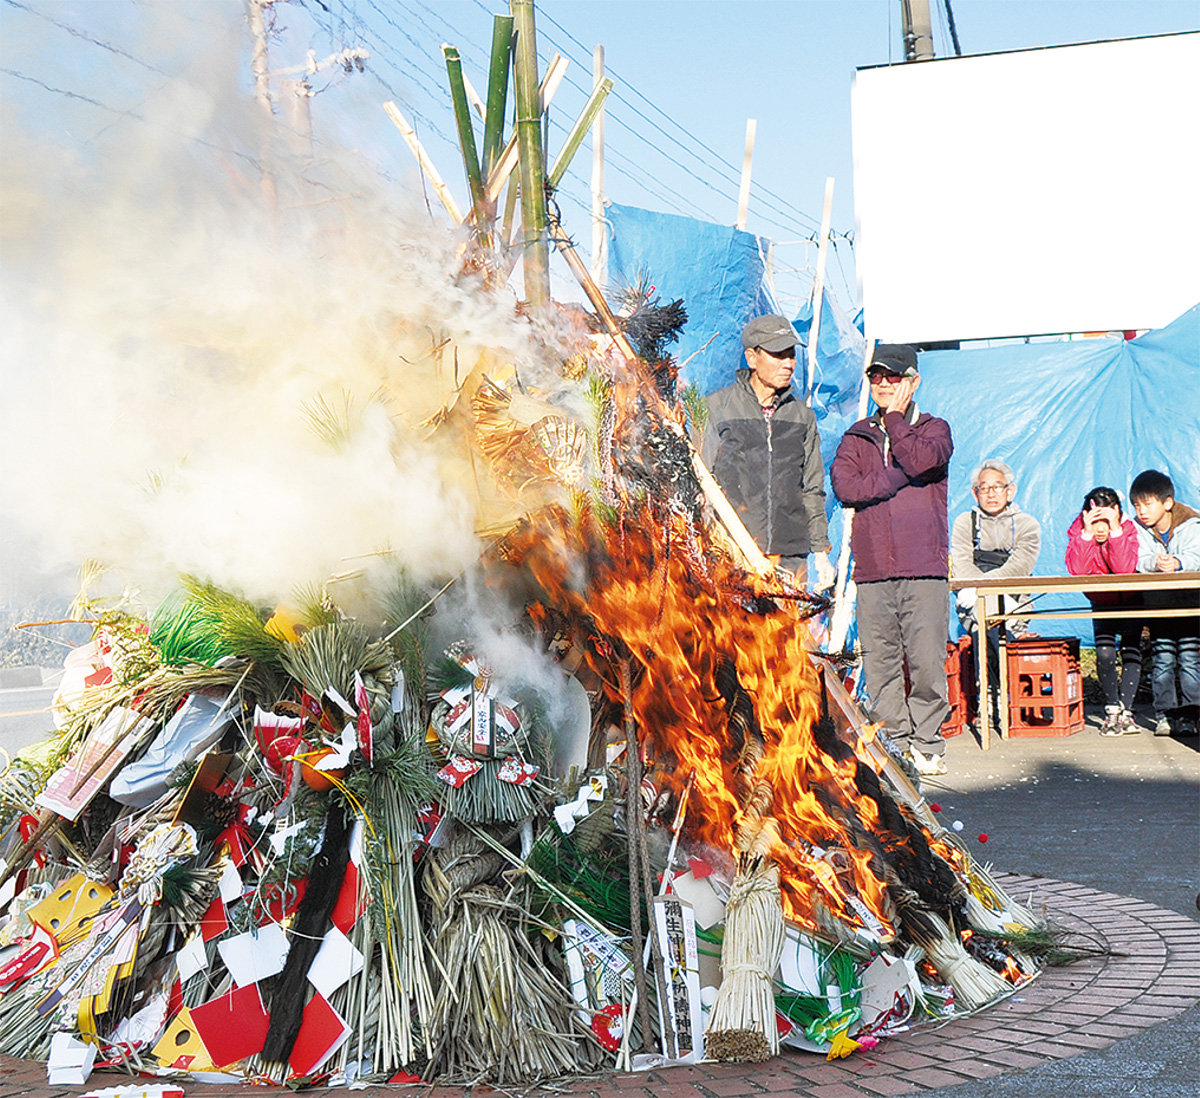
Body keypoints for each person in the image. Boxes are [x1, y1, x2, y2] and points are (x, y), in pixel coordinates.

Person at [830, 344, 954, 776]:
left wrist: (897, 422)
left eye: (893, 377)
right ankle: (894, 741)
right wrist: (896, 479)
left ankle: (928, 742)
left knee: (924, 661)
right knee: (880, 662)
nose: (883, 384)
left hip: (923, 569)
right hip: (874, 571)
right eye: (876, 377)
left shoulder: (935, 428)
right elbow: (847, 488)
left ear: (913, 382)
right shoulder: (856, 435)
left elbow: (923, 459)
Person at [703, 314, 831, 582]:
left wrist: (820, 550)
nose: (788, 364)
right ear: (752, 358)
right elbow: (701, 484)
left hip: (790, 559)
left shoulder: (802, 417)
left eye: (791, 355)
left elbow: (812, 488)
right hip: (732, 552)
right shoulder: (717, 409)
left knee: (788, 625)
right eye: (777, 354)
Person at [951, 460, 1042, 726]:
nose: (991, 494)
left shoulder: (1027, 525)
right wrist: (982, 592)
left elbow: (1020, 566)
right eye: (984, 488)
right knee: (985, 621)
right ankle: (999, 699)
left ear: (1010, 491)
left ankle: (989, 701)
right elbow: (962, 565)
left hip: (1013, 602)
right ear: (974, 493)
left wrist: (987, 589)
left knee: (988, 626)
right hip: (972, 601)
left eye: (997, 487)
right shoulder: (964, 523)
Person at [1064, 486, 1142, 736]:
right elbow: (1077, 570)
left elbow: (1123, 568)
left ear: (1117, 515)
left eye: (1105, 520)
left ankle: (1127, 710)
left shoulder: (1128, 531)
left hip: (1131, 600)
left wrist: (1116, 531)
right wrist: (1086, 533)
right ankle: (1112, 709)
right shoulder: (1079, 533)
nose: (1101, 528)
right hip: (1101, 602)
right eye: (1095, 520)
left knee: (1131, 651)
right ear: (1086, 516)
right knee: (1105, 655)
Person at [1129, 469, 1200, 737]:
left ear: (1167, 503)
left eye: (1147, 504)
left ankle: (1191, 713)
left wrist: (1180, 563)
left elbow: (1197, 556)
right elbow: (1138, 559)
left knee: (1190, 657)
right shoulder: (1137, 530)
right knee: (1163, 658)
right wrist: (1154, 563)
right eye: (1136, 505)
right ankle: (1164, 714)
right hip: (1158, 605)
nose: (1141, 511)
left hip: (1190, 603)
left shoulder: (1192, 525)